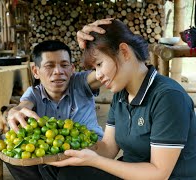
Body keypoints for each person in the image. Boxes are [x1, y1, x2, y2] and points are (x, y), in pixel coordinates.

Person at [48, 19, 196, 179]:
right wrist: (63, 150)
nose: (97, 75)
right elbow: (108, 148)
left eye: (99, 64)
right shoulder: (121, 93)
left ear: (124, 51)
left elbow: (158, 174)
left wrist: (94, 161)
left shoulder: (168, 97)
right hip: (129, 173)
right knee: (59, 171)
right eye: (94, 68)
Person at [5, 40, 104, 180]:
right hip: (54, 157)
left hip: (91, 152)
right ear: (36, 71)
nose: (58, 71)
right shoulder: (34, 93)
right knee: (14, 154)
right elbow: (23, 105)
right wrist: (14, 112)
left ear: (72, 69)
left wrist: (98, 41)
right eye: (49, 66)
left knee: (65, 173)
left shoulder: (82, 83)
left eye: (64, 65)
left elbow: (105, 72)